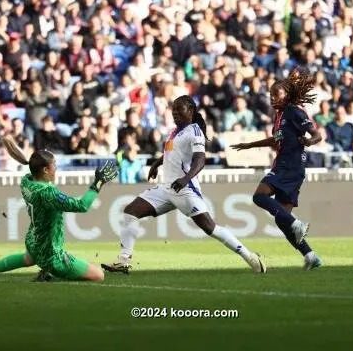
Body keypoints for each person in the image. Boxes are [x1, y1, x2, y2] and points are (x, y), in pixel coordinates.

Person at [102, 95, 266, 274]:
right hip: (166, 189)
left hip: (185, 189)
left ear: (191, 111)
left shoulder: (194, 131)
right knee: (131, 211)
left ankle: (250, 258)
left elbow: (200, 160)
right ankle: (124, 259)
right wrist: (156, 165)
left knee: (210, 227)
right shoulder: (175, 131)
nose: (175, 113)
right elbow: (170, 153)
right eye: (173, 110)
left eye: (180, 110)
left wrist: (186, 178)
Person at [0, 136, 118, 282]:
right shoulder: (47, 193)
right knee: (99, 275)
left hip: (34, 241)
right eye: (53, 165)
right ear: (45, 170)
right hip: (51, 254)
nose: (56, 168)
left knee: (28, 259)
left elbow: (40, 179)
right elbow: (82, 206)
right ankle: (48, 271)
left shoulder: (27, 181)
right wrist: (98, 183)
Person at [231, 68, 323, 270]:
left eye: (276, 94)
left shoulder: (293, 111)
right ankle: (310, 255)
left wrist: (309, 141)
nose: (272, 98)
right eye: (271, 94)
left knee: (259, 196)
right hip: (287, 167)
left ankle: (297, 224)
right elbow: (276, 139)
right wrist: (249, 145)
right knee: (283, 221)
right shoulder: (281, 115)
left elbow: (317, 134)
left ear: (287, 95)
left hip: (290, 167)